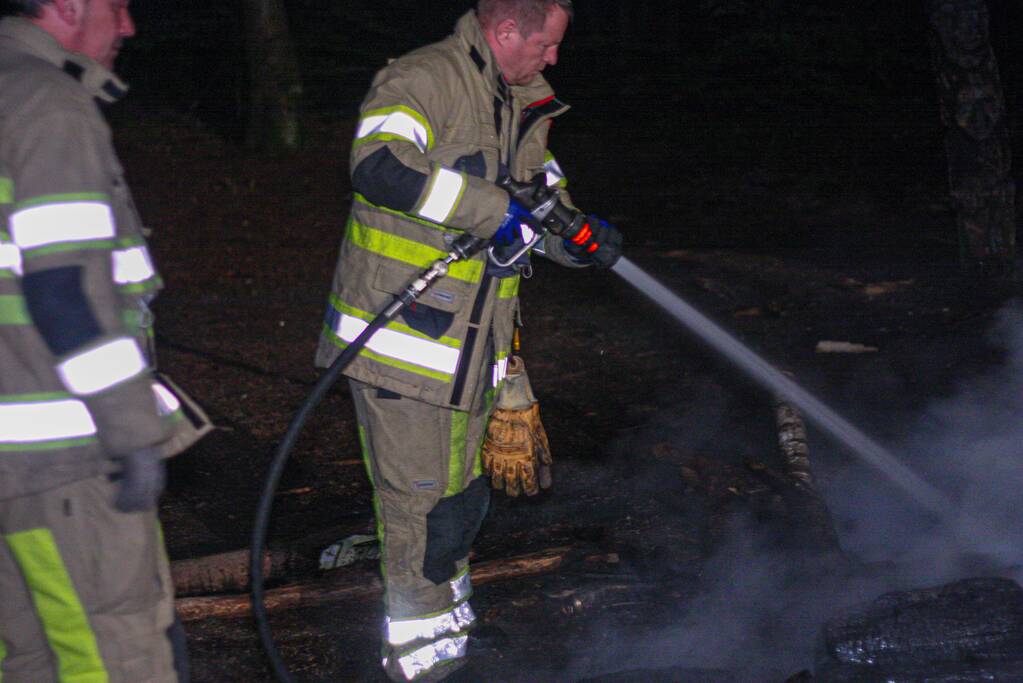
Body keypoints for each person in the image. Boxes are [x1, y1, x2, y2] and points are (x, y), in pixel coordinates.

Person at [314, 1, 622, 680]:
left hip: (472, 351)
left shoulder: (518, 105)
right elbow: (378, 166)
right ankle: (419, 660)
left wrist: (581, 240)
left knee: (457, 504)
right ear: (506, 30)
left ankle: (451, 635)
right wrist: (492, 210)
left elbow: (542, 206)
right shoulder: (424, 80)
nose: (553, 59)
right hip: (403, 343)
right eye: (547, 45)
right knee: (420, 509)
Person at [0, 1, 208, 681]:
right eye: (116, 7)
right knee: (117, 656)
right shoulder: (49, 104)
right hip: (64, 460)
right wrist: (131, 428)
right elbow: (64, 291)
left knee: (32, 656)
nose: (128, 28)